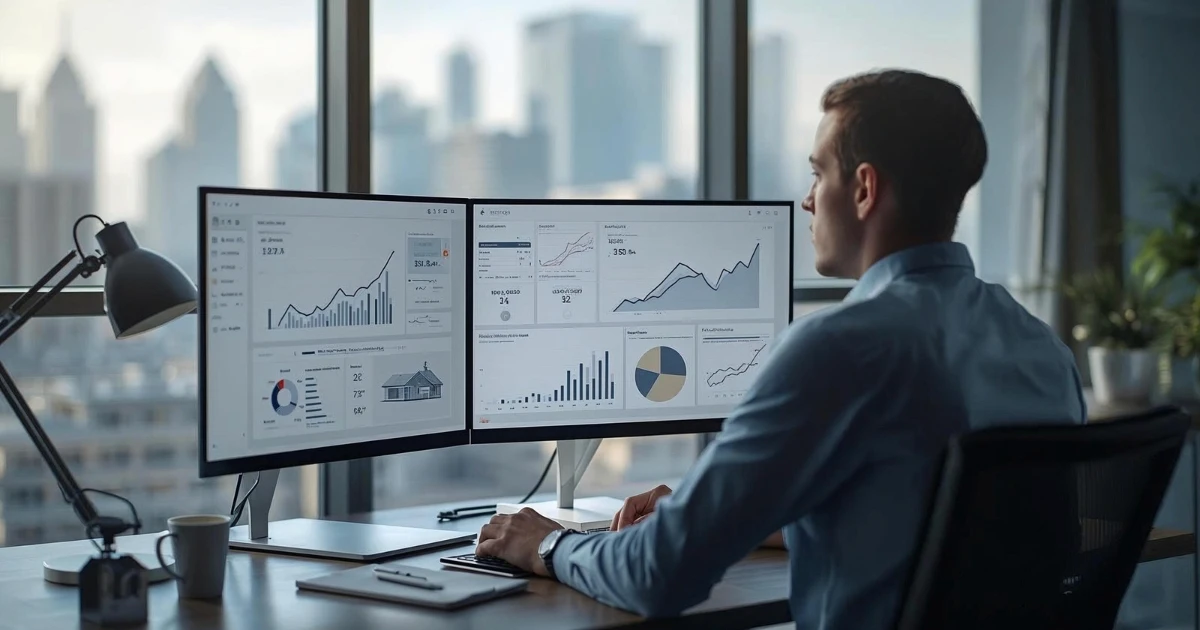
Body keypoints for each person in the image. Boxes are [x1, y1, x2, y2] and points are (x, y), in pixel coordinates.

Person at [475, 68, 1086, 629]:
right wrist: (718, 516)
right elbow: (920, 523)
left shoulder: (841, 347)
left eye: (819, 173)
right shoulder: (1041, 350)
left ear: (865, 188)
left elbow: (659, 576)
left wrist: (547, 545)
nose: (808, 199)